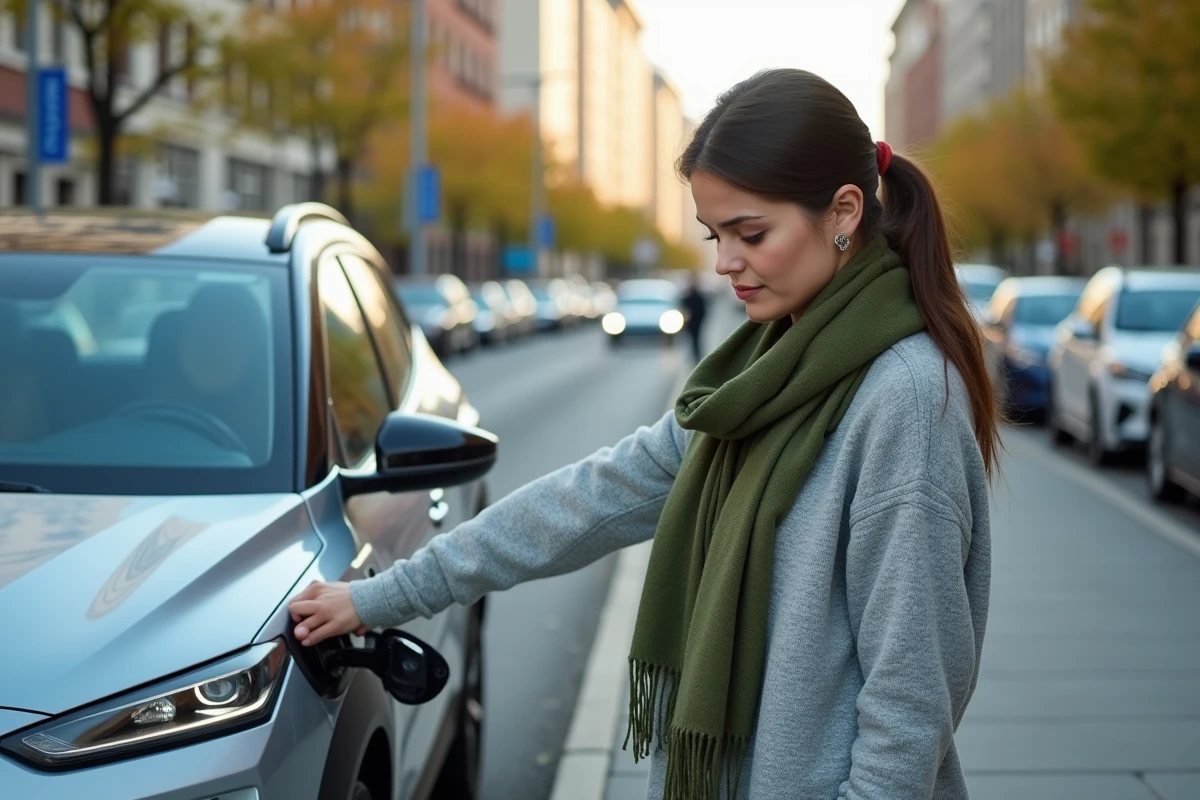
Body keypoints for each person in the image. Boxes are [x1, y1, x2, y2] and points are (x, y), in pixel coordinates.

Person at [289, 68, 998, 800]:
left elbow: (910, 704)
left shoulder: (906, 399)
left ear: (844, 211)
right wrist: (381, 597)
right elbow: (584, 501)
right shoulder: (756, 381)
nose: (725, 263)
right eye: (714, 234)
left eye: (750, 233)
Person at [681, 272, 709, 363]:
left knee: (696, 340)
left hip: (696, 321)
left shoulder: (698, 296)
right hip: (692, 322)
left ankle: (696, 356)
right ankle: (695, 356)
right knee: (693, 340)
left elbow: (703, 310)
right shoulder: (687, 296)